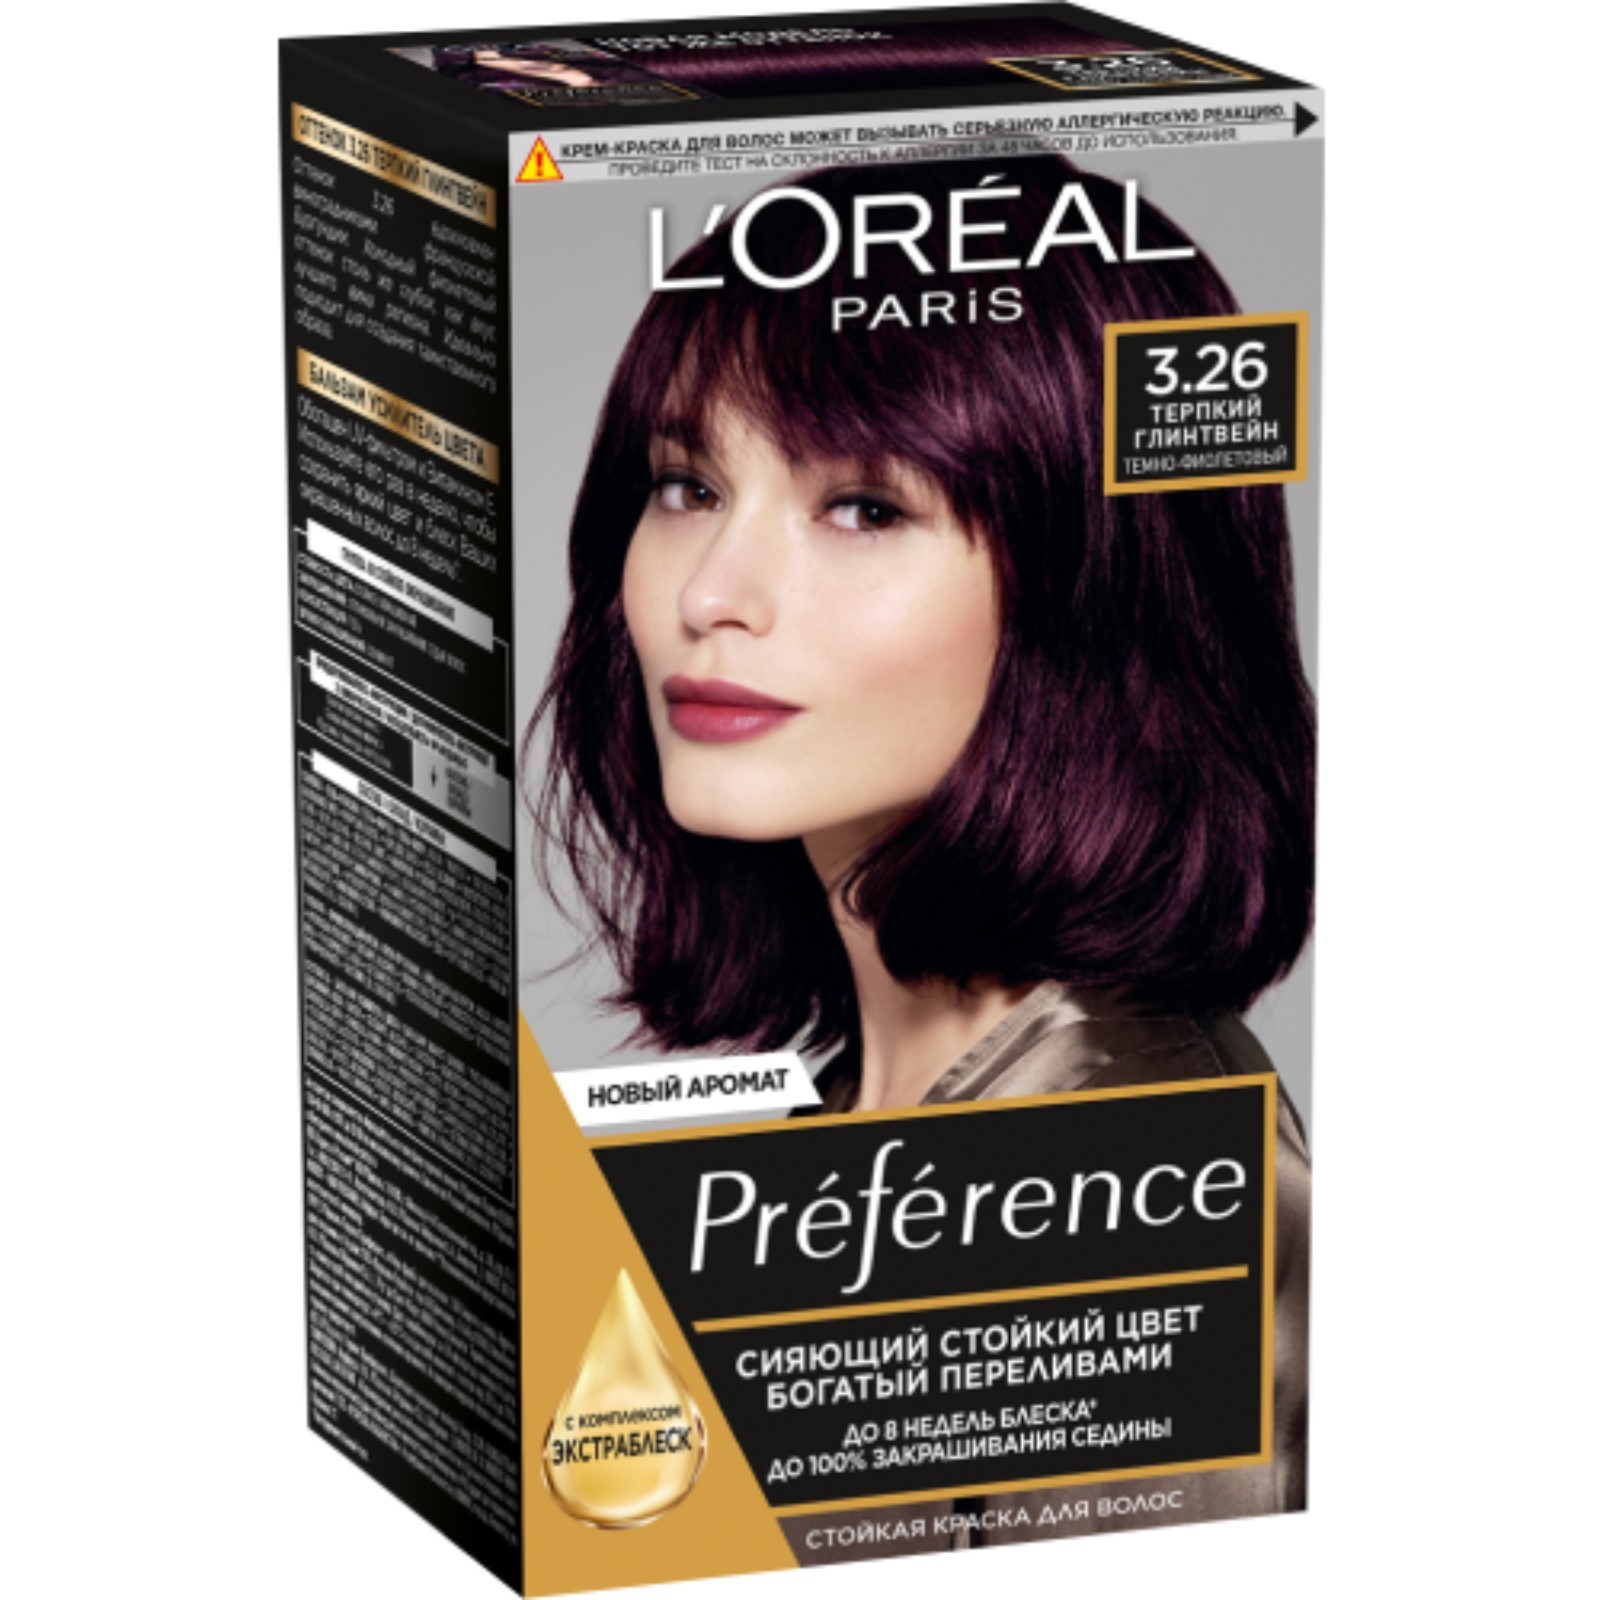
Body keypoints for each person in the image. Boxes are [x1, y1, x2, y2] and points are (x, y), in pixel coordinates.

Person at [526, 152, 1315, 1537]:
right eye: (686, 485)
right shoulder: (876, 1122)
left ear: (1094, 591)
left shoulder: (1134, 1190)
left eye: (865, 508)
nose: (711, 594)